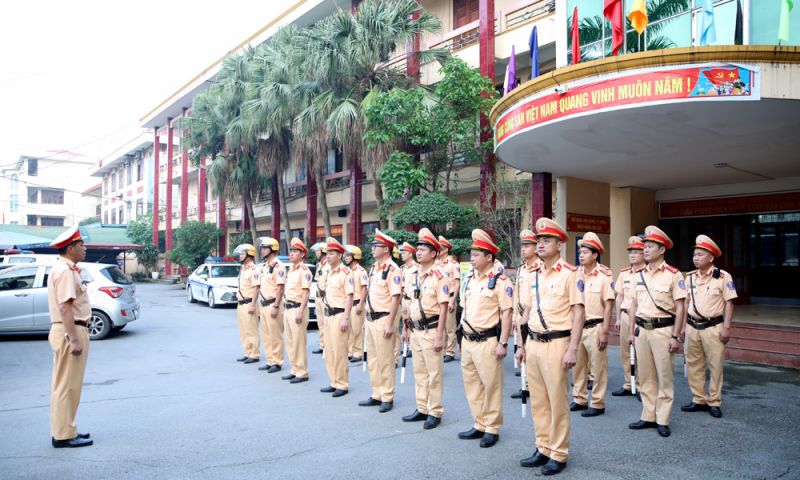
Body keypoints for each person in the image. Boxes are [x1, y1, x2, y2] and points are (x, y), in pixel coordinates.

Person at [515, 217, 584, 476]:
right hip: (533, 342)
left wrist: (573, 348)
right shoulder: (533, 275)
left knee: (557, 401)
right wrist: (520, 345)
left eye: (546, 240)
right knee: (539, 402)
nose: (540, 244)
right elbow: (527, 313)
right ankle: (542, 447)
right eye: (538, 240)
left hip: (557, 343)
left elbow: (579, 313)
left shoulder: (570, 274)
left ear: (559, 244)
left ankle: (559, 452)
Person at [628, 226, 686, 438]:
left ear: (662, 249)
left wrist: (676, 335)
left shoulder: (673, 274)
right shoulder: (639, 274)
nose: (645, 250)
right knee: (645, 376)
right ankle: (648, 416)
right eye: (644, 246)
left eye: (650, 246)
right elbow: (634, 304)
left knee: (664, 376)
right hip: (642, 330)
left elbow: (681, 307)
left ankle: (663, 419)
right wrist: (632, 332)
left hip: (663, 330)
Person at [457, 229, 513, 449]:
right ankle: (479, 423)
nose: (471, 258)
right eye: (471, 254)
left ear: (489, 256)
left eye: (476, 254)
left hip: (488, 341)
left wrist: (503, 342)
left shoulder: (501, 282)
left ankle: (492, 428)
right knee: (472, 385)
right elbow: (464, 310)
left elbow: (506, 313)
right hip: (469, 341)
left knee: (491, 386)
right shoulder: (470, 279)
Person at [680, 235, 737, 418]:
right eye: (695, 254)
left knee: (715, 365)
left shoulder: (722, 276)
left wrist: (727, 328)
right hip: (692, 327)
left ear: (711, 258)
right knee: (693, 365)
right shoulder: (689, 278)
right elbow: (685, 303)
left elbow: (729, 303)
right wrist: (681, 328)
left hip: (714, 327)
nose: (695, 258)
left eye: (700, 254)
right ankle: (698, 399)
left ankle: (714, 401)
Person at [48, 225, 93, 448]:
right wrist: (74, 339)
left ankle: (66, 429)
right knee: (67, 386)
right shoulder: (65, 271)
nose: (85, 248)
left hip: (69, 330)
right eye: (81, 245)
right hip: (70, 331)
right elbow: (65, 308)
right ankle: (64, 435)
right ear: (70, 248)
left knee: (67, 385)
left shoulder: (67, 269)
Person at [401, 229, 448, 429]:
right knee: (419, 372)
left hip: (431, 329)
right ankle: (422, 407)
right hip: (416, 330)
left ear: (434, 253)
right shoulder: (414, 275)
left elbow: (444, 306)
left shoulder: (440, 275)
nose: (418, 253)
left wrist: (440, 336)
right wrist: (406, 329)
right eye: (417, 250)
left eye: (422, 250)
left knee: (433, 373)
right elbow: (410, 304)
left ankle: (435, 411)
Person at [358, 229, 402, 413]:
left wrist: (390, 323)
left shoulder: (393, 269)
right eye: (373, 245)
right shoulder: (374, 268)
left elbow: (396, 297)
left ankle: (387, 396)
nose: (373, 248)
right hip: (370, 319)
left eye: (376, 246)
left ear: (386, 249)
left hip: (384, 319)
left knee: (385, 360)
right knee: (373, 359)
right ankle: (376, 393)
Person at [571, 232, 614, 417]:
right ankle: (579, 398)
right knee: (579, 366)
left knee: (598, 367)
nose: (581, 255)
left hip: (596, 327)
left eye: (585, 252)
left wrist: (605, 332)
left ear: (595, 255)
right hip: (577, 327)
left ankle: (597, 402)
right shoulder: (575, 275)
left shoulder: (604, 276)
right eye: (580, 252)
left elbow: (608, 305)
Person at [319, 238, 354, 398]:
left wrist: (346, 318)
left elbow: (349, 296)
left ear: (340, 255)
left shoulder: (346, 273)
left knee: (339, 351)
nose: (328, 256)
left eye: (332, 253)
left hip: (339, 314)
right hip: (328, 315)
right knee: (330, 350)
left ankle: (342, 384)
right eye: (327, 253)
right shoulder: (328, 272)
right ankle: (333, 381)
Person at [612, 236, 646, 397]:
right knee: (625, 352)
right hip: (625, 316)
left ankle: (641, 385)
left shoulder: (647, 273)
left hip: (641, 317)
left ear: (644, 254)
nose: (632, 255)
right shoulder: (624, 274)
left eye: (636, 252)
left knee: (641, 353)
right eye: (630, 252)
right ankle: (628, 383)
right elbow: (619, 297)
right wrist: (618, 317)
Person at [511, 229, 538, 400]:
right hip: (521, 315)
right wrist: (515, 315)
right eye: (522, 246)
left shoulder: (539, 268)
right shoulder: (521, 269)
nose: (523, 249)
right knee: (522, 350)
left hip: (534, 315)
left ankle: (534, 385)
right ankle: (525, 385)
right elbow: (517, 293)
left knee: (533, 353)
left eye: (527, 245)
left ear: (536, 248)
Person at [281, 238, 313, 384]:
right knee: (290, 341)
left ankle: (302, 372)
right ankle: (294, 369)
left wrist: (301, 310)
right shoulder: (291, 269)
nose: (292, 253)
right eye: (291, 251)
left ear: (302, 254)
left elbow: (306, 292)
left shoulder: (304, 271)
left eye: (295, 251)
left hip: (297, 309)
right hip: (288, 309)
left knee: (298, 342)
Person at [256, 237, 285, 373]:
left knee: (275, 335)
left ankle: (277, 362)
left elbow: (280, 287)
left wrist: (276, 305)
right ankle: (270, 360)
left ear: (272, 249)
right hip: (264, 304)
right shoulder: (266, 266)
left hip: (273, 304)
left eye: (265, 248)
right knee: (266, 334)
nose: (262, 250)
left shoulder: (278, 266)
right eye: (262, 248)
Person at [234, 243, 261, 364]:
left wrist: (253, 304)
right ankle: (247, 352)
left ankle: (254, 354)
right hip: (241, 304)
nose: (240, 256)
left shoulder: (254, 269)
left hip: (249, 303)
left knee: (251, 330)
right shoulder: (243, 268)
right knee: (243, 330)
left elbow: (256, 288)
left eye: (242, 254)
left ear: (249, 255)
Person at [437, 236, 461, 363]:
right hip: (437, 299)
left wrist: (453, 300)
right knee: (439, 325)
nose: (437, 249)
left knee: (450, 327)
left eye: (440, 247)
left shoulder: (453, 264)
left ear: (446, 249)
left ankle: (450, 352)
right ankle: (442, 348)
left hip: (449, 297)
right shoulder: (435, 264)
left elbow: (457, 283)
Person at [344, 245, 369, 362]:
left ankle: (358, 352)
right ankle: (350, 351)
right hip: (348, 304)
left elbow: (364, 288)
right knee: (349, 329)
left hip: (357, 303)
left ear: (355, 257)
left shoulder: (361, 271)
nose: (346, 258)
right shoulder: (347, 271)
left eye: (348, 256)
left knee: (357, 330)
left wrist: (360, 304)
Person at [399, 242, 419, 360]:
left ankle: (412, 347)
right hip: (404, 299)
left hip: (413, 299)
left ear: (411, 254)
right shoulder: (401, 269)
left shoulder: (417, 268)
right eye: (402, 253)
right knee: (405, 322)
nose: (402, 255)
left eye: (405, 253)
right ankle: (406, 345)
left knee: (412, 321)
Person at [312, 246, 329, 355]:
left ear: (323, 251)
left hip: (325, 297)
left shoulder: (329, 266)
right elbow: (318, 280)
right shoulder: (319, 266)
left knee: (327, 322)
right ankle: (322, 345)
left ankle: (328, 345)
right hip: (318, 297)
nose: (316, 253)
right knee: (320, 323)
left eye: (317, 251)